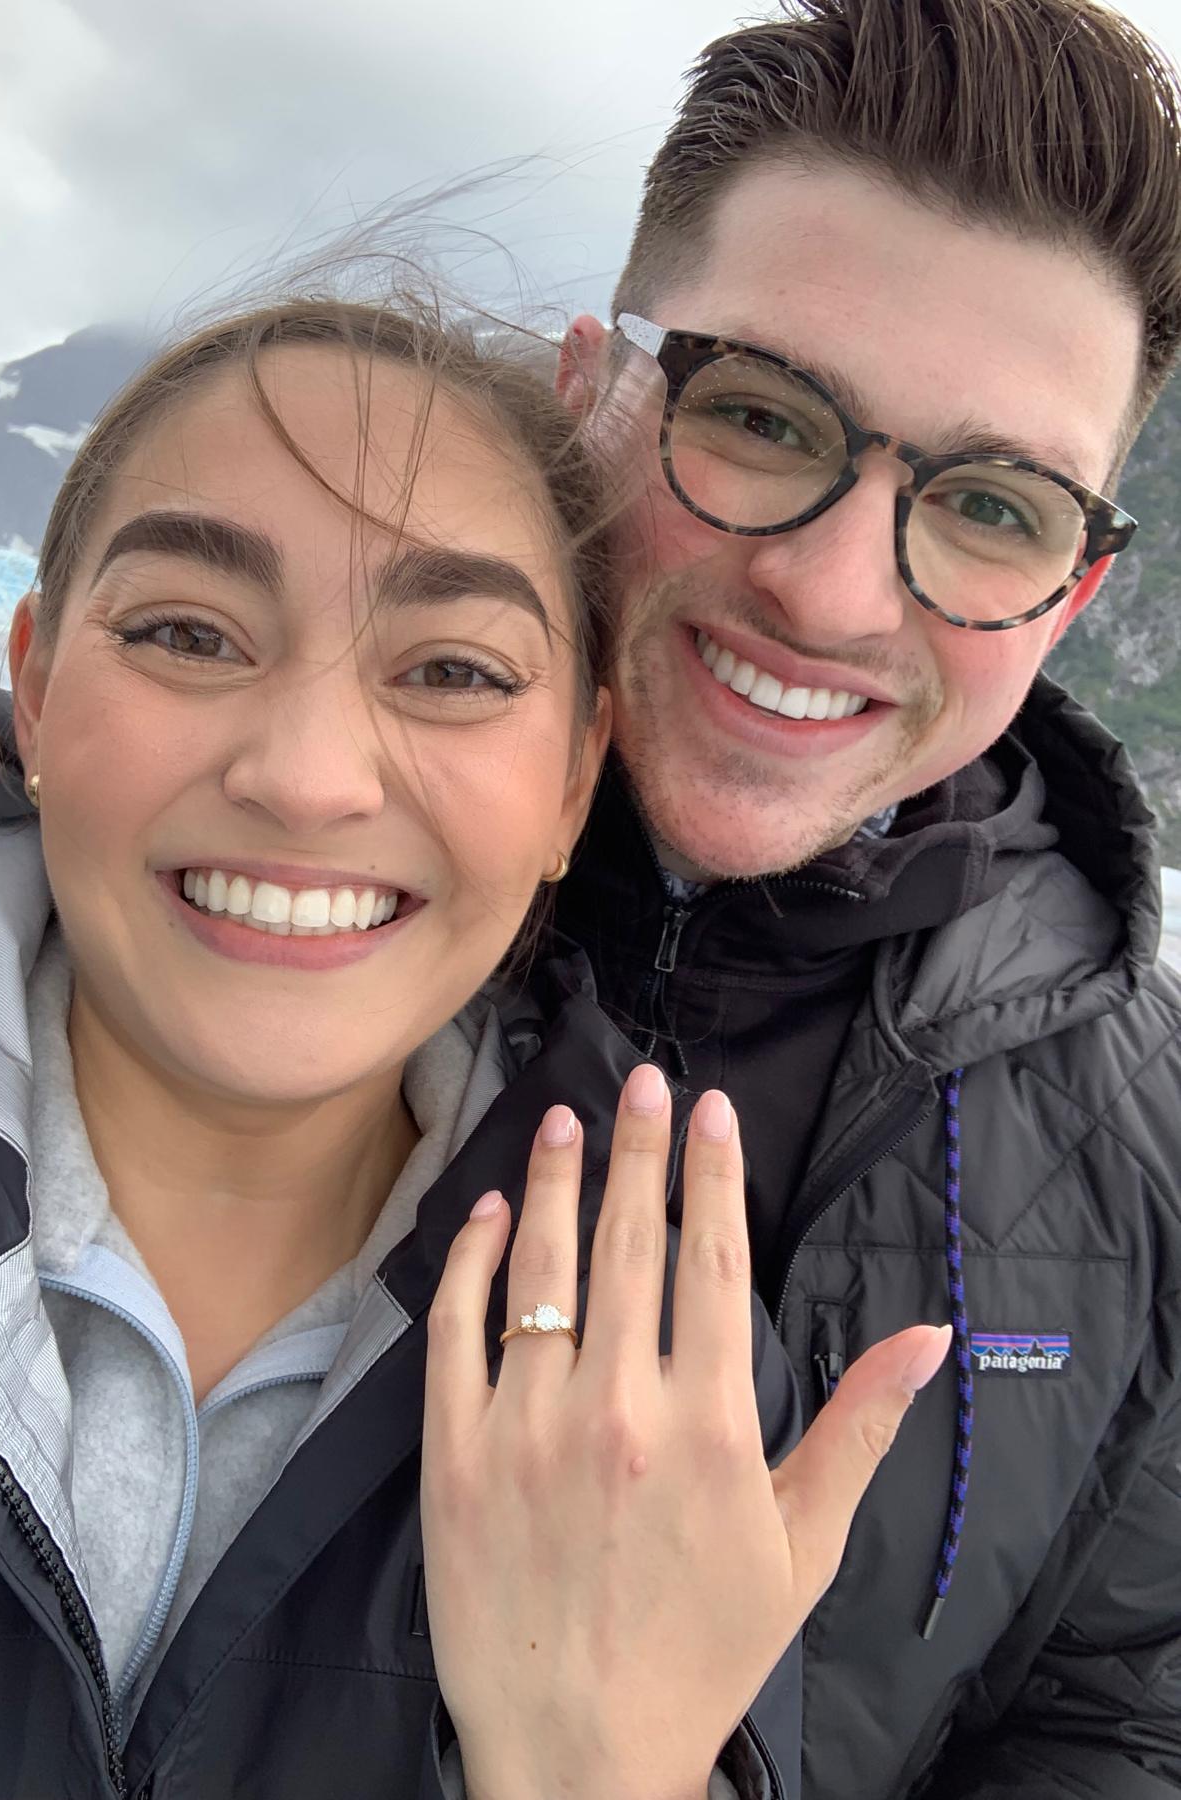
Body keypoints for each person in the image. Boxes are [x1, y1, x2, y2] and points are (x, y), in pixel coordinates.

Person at [0, 296, 947, 1799]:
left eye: (454, 671)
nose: (305, 778)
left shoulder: (661, 1384)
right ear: (33, 687)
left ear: (574, 780)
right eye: (187, 634)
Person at [549, 0, 1181, 1794]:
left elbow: (1116, 1713)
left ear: (1067, 597)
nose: (830, 596)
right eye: (758, 415)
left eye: (992, 506)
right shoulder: (228, 901)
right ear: (584, 393)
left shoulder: (1151, 1134)